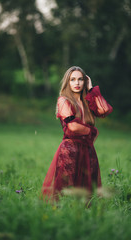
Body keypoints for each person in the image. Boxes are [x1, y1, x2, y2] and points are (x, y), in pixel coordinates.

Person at [40, 66, 113, 201]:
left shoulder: (88, 101)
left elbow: (104, 110)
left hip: (88, 151)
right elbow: (72, 126)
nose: (77, 83)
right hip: (70, 150)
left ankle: (84, 219)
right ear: (67, 82)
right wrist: (92, 131)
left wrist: (91, 89)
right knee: (65, 191)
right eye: (72, 79)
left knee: (88, 192)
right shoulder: (64, 100)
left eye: (80, 79)